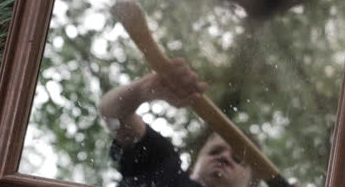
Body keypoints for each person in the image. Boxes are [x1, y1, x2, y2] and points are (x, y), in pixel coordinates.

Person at [98, 58, 261, 187]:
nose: (224, 157)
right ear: (197, 160)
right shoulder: (162, 167)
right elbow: (112, 114)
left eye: (238, 159)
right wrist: (143, 89)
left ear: (252, 183)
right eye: (215, 151)